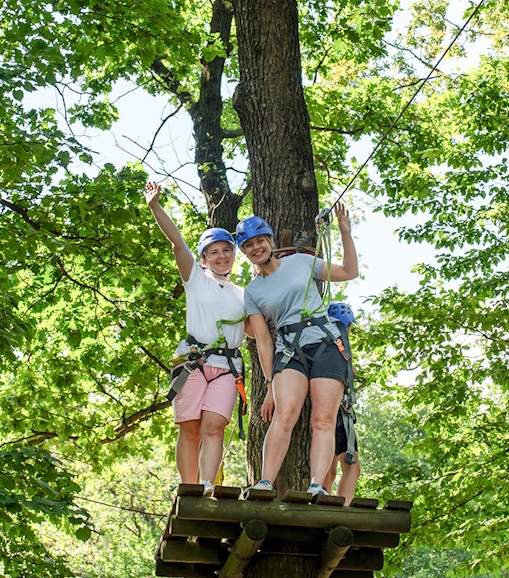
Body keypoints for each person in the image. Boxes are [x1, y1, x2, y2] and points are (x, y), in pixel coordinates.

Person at [237, 205, 359, 498]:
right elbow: (263, 340)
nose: (256, 248)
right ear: (244, 251)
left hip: (326, 344)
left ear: (270, 241)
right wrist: (269, 382)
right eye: (249, 245)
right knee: (285, 412)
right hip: (289, 350)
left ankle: (317, 485)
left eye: (260, 241)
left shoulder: (301, 262)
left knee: (323, 419)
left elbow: (349, 272)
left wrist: (345, 232)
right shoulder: (253, 291)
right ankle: (264, 482)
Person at [145, 180, 248, 495]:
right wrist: (155, 206)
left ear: (233, 255)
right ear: (203, 258)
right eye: (213, 252)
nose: (220, 256)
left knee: (214, 427)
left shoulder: (245, 294)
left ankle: (207, 485)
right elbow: (178, 243)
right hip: (194, 360)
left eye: (226, 251)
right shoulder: (195, 279)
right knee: (190, 429)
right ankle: (189, 489)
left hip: (228, 367)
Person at [320, 302, 360, 505]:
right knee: (348, 466)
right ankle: (340, 507)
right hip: (335, 413)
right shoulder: (337, 348)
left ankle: (332, 504)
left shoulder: (321, 345)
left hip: (335, 411)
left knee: (333, 467)